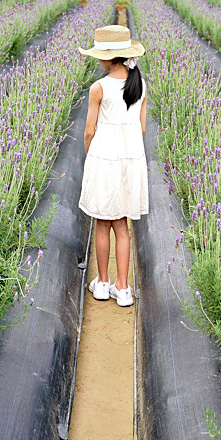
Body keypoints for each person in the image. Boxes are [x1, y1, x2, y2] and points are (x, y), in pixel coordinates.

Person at [78, 24, 148, 307]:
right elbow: (141, 129)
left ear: (108, 57)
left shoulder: (99, 87)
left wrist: (90, 157)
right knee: (122, 226)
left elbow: (88, 131)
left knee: (102, 222)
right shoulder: (140, 84)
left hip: (103, 159)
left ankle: (103, 283)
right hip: (130, 161)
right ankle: (123, 287)